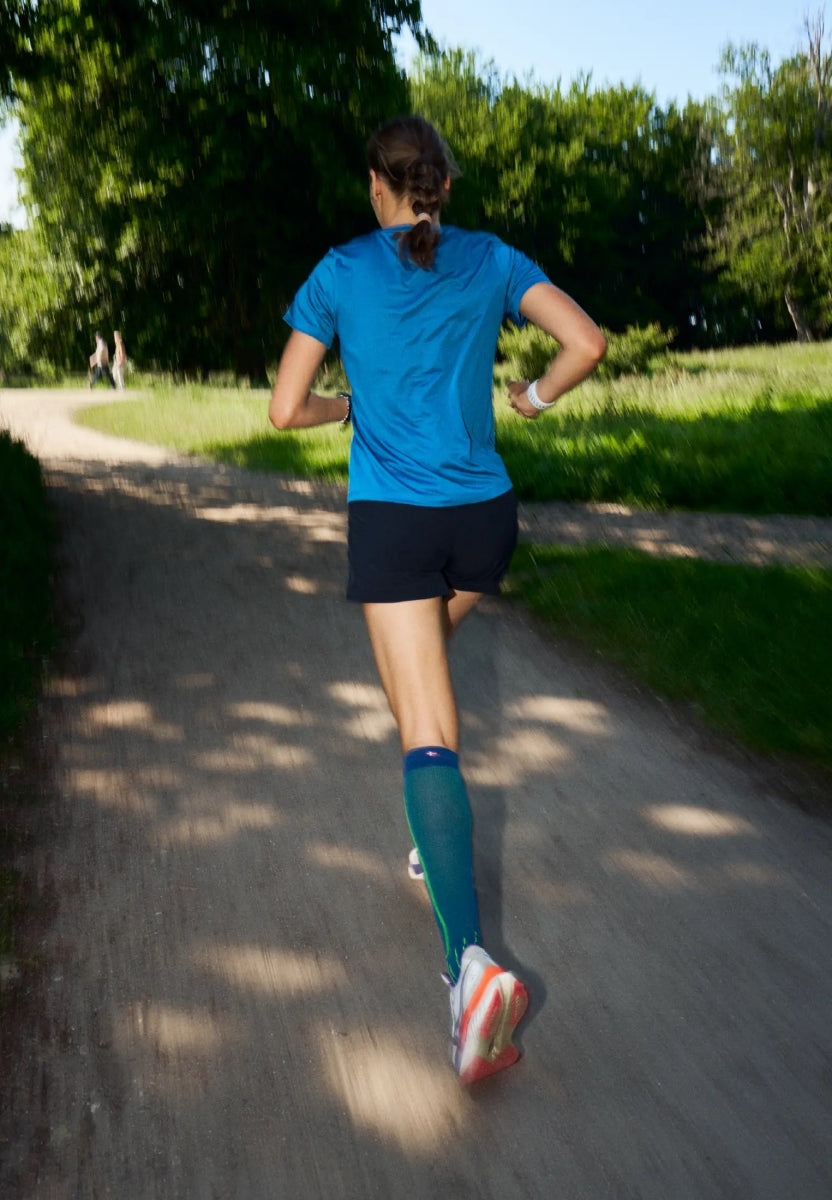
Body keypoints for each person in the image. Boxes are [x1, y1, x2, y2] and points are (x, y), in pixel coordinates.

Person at [269, 115, 606, 1085]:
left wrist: (350, 405)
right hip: (485, 523)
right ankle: (434, 833)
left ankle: (466, 968)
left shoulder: (338, 271)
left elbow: (285, 409)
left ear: (378, 186)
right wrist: (532, 401)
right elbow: (583, 341)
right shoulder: (493, 257)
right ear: (442, 186)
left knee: (425, 730)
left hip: (397, 523)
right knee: (421, 678)